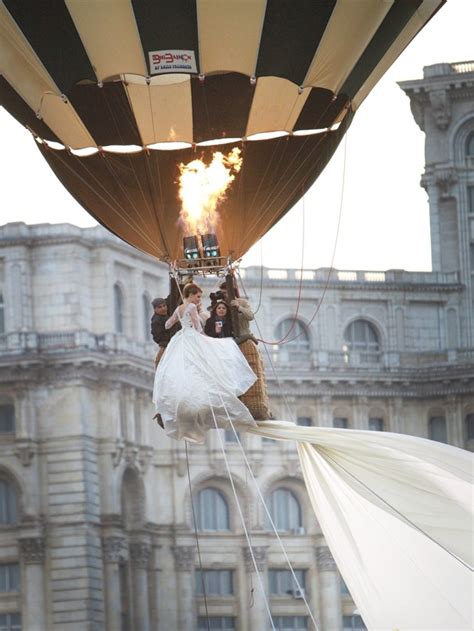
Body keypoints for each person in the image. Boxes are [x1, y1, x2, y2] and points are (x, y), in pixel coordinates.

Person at [152, 282, 257, 443]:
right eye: (198, 296)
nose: (199, 299)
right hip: (192, 337)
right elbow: (198, 328)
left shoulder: (178, 308)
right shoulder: (192, 308)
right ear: (191, 294)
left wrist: (179, 324)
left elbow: (167, 324)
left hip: (180, 339)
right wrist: (206, 338)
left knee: (183, 369)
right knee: (208, 360)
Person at [218, 281, 272, 420]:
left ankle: (253, 403)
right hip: (230, 344)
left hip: (243, 340)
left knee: (250, 371)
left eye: (225, 292)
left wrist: (238, 307)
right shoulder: (221, 306)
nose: (224, 295)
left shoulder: (242, 302)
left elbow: (250, 316)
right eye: (222, 293)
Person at [150, 297, 170, 368]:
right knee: (160, 363)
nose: (163, 308)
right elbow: (157, 336)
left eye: (164, 306)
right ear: (155, 309)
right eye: (160, 307)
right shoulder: (156, 321)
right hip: (164, 344)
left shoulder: (165, 315)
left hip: (169, 342)